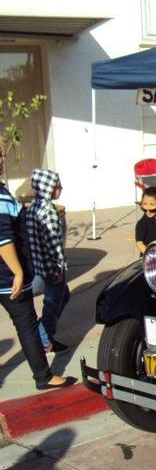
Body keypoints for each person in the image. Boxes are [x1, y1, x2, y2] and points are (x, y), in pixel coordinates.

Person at [0, 146, 74, 390]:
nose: (3, 160)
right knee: (27, 324)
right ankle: (44, 375)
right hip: (7, 276)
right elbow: (3, 238)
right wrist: (19, 272)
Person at [27, 168, 70, 354]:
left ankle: (43, 335)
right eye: (57, 185)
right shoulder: (49, 212)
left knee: (64, 295)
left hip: (39, 267)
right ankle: (46, 341)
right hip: (50, 270)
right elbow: (54, 245)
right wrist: (57, 270)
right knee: (52, 305)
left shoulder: (33, 208)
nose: (60, 188)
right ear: (47, 188)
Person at [135, 186, 156, 255]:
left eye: (152, 204)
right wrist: (152, 255)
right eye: (144, 204)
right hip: (149, 258)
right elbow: (139, 244)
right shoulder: (141, 224)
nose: (147, 208)